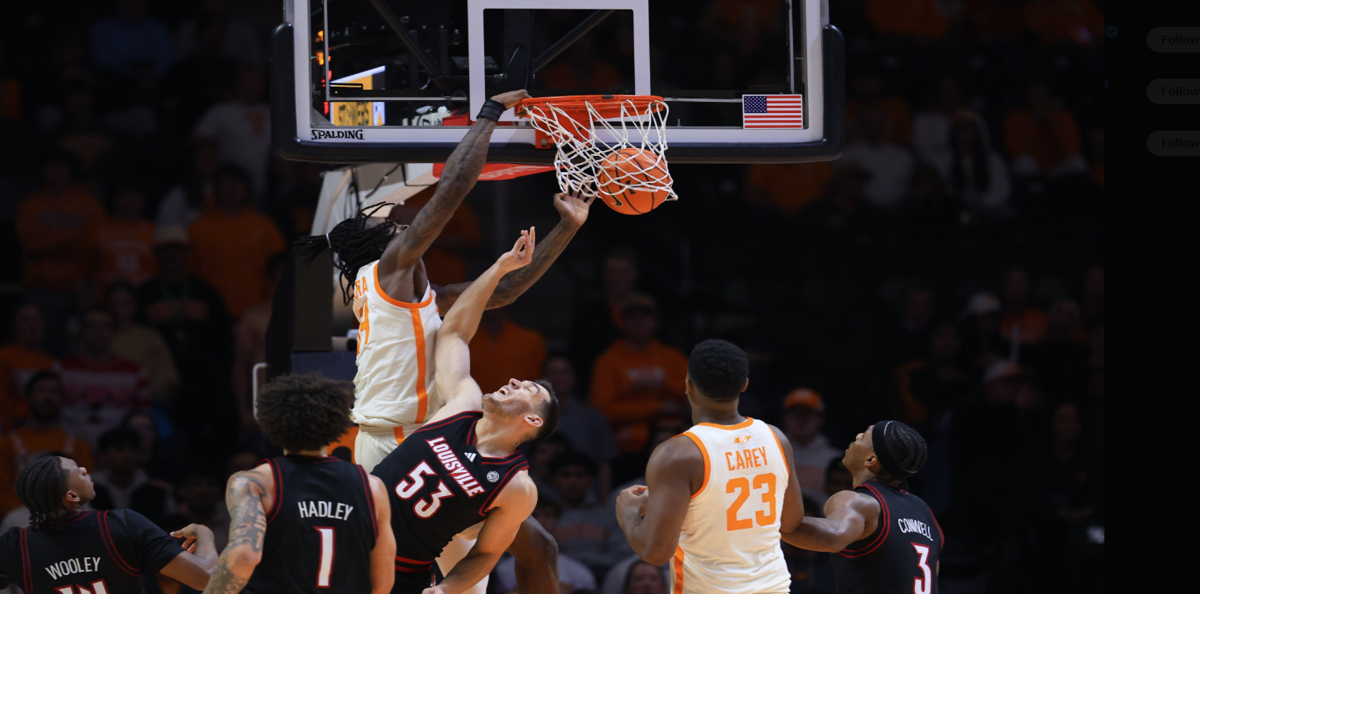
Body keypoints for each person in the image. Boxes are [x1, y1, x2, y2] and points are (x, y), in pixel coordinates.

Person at [296, 88, 592, 471]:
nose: (401, 222)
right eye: (387, 225)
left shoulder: (407, 293)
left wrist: (568, 226)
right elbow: (452, 189)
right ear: (377, 244)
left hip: (401, 434)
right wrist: (490, 112)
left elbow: (503, 291)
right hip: (398, 438)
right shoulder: (389, 271)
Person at [369, 230, 560, 594]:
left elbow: (486, 555)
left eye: (529, 389)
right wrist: (501, 267)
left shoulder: (517, 485)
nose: (517, 380)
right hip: (354, 536)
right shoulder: (463, 404)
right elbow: (454, 333)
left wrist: (446, 589)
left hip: (402, 571)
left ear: (533, 420)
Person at [615, 339, 803, 594]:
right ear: (745, 384)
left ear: (688, 385)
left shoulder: (677, 455)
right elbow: (790, 522)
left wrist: (628, 514)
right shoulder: (776, 438)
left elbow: (655, 552)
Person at [203, 373, 395, 594]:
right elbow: (383, 582)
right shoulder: (373, 488)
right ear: (337, 422)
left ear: (271, 422)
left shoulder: (254, 482)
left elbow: (244, 556)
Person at [0, 455, 217, 594]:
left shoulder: (16, 546)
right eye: (77, 470)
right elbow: (206, 578)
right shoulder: (122, 524)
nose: (85, 469)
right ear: (72, 495)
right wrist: (204, 533)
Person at [782, 421, 945, 594]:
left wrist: (767, 516)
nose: (857, 436)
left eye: (864, 435)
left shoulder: (859, 501)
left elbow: (834, 537)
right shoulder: (925, 513)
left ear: (870, 459)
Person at [17, 153, 105, 354]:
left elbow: (96, 243)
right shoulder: (31, 205)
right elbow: (30, 243)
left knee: (86, 348)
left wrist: (52, 239)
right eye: (52, 167)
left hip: (80, 289)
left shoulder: (88, 204)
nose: (57, 172)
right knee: (44, 348)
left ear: (70, 171)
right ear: (44, 172)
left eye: (62, 167)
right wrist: (72, 238)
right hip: (42, 288)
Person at [590, 294, 689, 455]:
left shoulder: (674, 358)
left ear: (656, 322)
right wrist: (660, 406)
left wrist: (664, 384)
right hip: (627, 447)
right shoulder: (608, 361)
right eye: (632, 318)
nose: (639, 323)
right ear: (622, 323)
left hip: (674, 445)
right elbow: (603, 410)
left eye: (645, 317)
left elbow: (696, 396)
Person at [187, 164, 286, 319]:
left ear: (246, 188)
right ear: (216, 190)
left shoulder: (265, 227)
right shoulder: (198, 229)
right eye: (225, 185)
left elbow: (280, 272)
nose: (232, 190)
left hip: (257, 311)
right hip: (211, 314)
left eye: (236, 184)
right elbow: (190, 272)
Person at [0, 371, 95, 517]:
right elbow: (2, 492)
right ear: (29, 396)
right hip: (19, 521)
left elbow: (85, 491)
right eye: (42, 390)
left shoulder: (78, 446)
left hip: (67, 521)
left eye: (54, 391)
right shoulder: (6, 444)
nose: (48, 397)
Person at [56, 306, 151, 447]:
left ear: (114, 331)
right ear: (82, 331)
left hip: (119, 454)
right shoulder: (61, 369)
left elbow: (142, 419)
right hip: (69, 454)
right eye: (91, 326)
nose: (97, 332)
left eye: (104, 326)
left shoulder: (135, 373)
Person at [540, 355, 617, 489]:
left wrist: (604, 503)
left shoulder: (594, 418)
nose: (559, 377)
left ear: (574, 377)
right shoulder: (527, 419)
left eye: (565, 372)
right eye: (552, 372)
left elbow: (604, 464)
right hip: (539, 497)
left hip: (587, 498)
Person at [107, 282, 179, 407]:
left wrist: (141, 394)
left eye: (125, 304)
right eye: (114, 305)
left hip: (145, 406)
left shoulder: (150, 337)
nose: (119, 311)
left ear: (134, 306)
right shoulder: (99, 338)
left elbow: (168, 377)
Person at [91, 185, 157, 295]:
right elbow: (83, 273)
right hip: (106, 300)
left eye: (136, 196)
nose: (131, 200)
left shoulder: (156, 232)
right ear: (115, 199)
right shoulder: (97, 230)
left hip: (145, 300)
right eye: (125, 195)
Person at [0, 304, 57, 431]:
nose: (33, 325)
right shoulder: (4, 356)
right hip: (13, 425)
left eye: (37, 319)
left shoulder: (50, 362)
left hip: (44, 426)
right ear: (15, 326)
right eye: (25, 319)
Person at [467, 308, 546, 396]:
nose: (494, 305)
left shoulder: (531, 340)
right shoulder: (466, 341)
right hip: (476, 403)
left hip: (519, 403)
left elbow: (539, 378)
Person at [780, 388, 843, 492]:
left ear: (820, 418)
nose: (801, 420)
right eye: (795, 413)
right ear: (784, 417)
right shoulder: (770, 454)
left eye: (807, 413)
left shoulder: (835, 459)